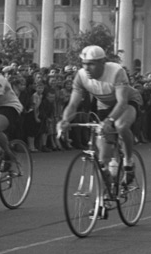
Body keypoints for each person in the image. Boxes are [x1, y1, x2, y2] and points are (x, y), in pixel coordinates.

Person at [58, 45, 142, 201]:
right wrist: (64, 121)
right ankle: (104, 196)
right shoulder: (81, 75)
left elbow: (122, 102)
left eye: (91, 64)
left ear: (103, 62)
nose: (86, 67)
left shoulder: (116, 71)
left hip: (128, 101)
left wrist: (109, 121)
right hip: (104, 105)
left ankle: (129, 163)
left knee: (120, 125)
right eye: (84, 63)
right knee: (103, 155)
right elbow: (73, 104)